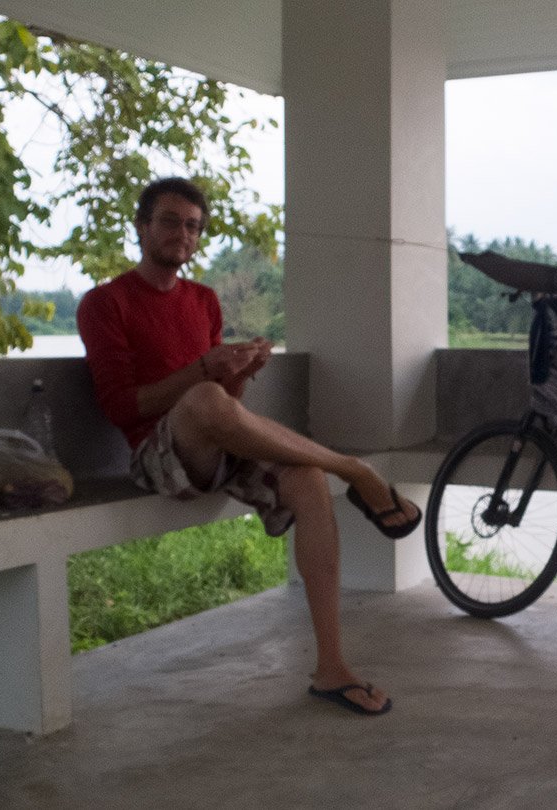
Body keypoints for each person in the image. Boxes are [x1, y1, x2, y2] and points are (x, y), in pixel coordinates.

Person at [76, 177, 421, 716]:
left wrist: (239, 372)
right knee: (205, 396)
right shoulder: (104, 303)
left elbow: (226, 405)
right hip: (157, 456)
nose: (182, 234)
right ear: (141, 227)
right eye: (169, 221)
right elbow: (123, 407)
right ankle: (354, 470)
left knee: (306, 480)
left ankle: (332, 667)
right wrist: (204, 374)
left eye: (193, 226)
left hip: (215, 444)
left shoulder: (203, 300)